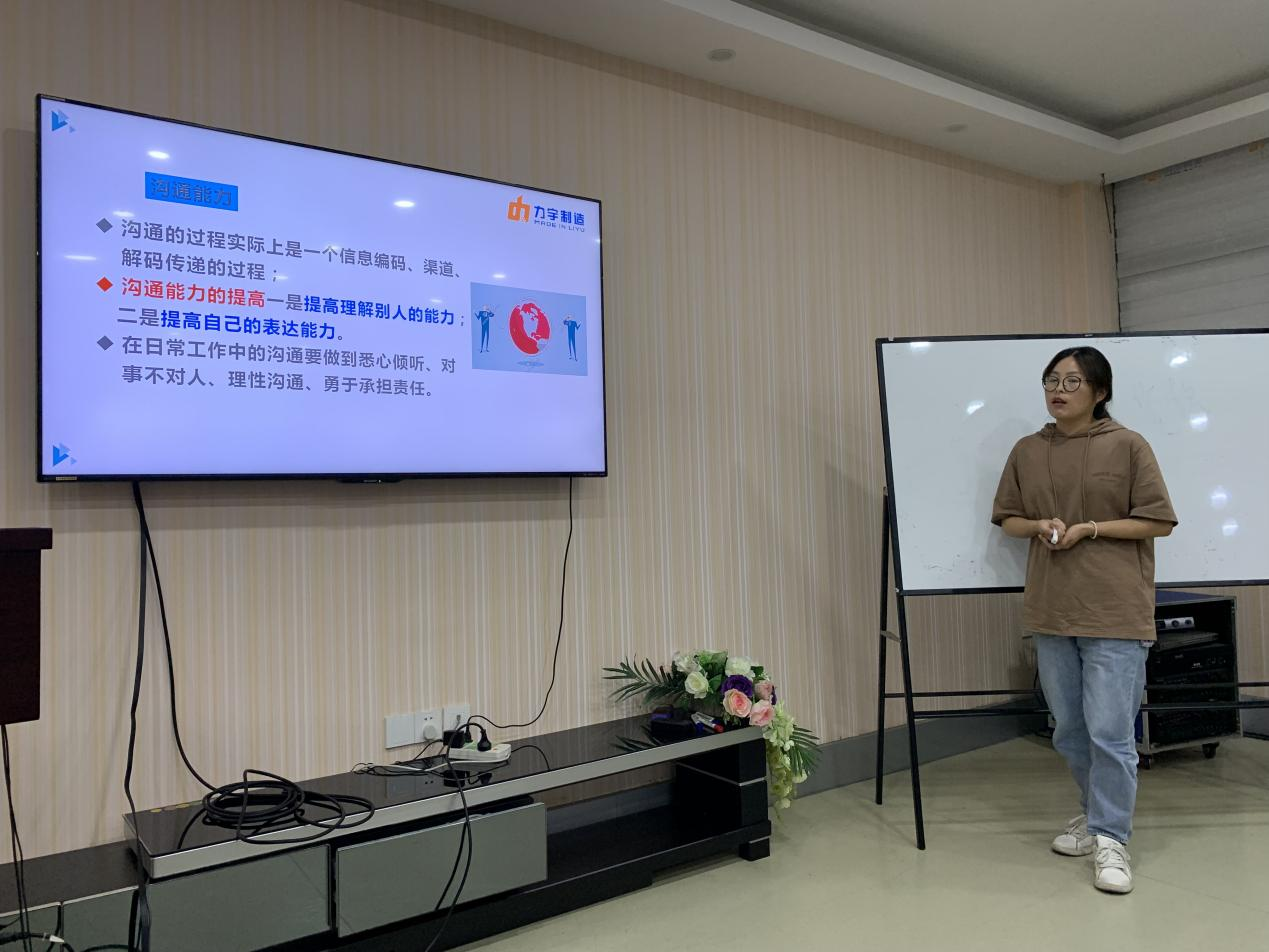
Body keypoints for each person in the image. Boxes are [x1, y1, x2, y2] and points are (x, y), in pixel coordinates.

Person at [991, 346, 1177, 895]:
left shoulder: (1128, 444)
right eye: (1052, 380)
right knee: (1070, 729)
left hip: (1115, 611)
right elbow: (1007, 517)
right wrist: (1037, 526)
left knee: (1111, 733)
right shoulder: (1027, 449)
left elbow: (1158, 521)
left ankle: (1112, 837)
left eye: (1072, 381)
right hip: (1052, 610)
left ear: (1100, 392)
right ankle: (1095, 817)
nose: (1059, 390)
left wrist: (1089, 529)